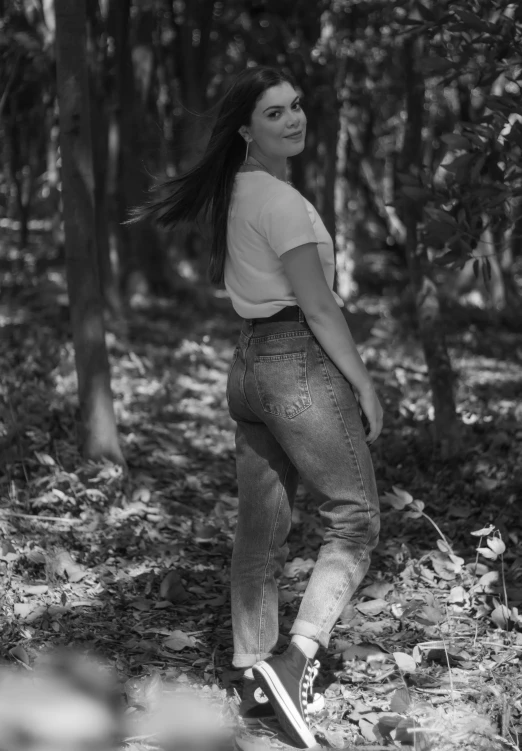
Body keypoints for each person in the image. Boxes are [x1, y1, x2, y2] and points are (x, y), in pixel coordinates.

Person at [130, 66, 382, 749]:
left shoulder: (238, 193)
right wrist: (362, 381)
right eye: (275, 112)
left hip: (249, 365)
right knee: (356, 519)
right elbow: (321, 305)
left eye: (296, 105)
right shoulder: (282, 203)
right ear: (247, 130)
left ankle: (252, 678)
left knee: (261, 530)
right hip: (296, 360)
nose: (294, 118)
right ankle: (294, 662)